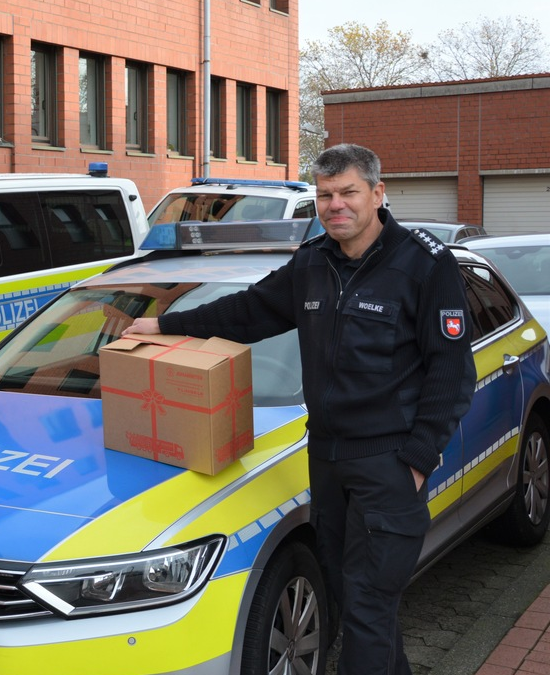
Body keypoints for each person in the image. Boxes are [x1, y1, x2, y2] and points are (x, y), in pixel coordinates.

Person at [123, 143, 476, 675]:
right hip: (327, 459)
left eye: (348, 192)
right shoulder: (311, 264)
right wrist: (166, 324)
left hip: (389, 463)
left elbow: (452, 372)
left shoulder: (425, 265)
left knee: (367, 607)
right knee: (352, 598)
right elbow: (248, 312)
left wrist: (419, 458)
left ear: (378, 194)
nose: (336, 205)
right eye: (325, 195)